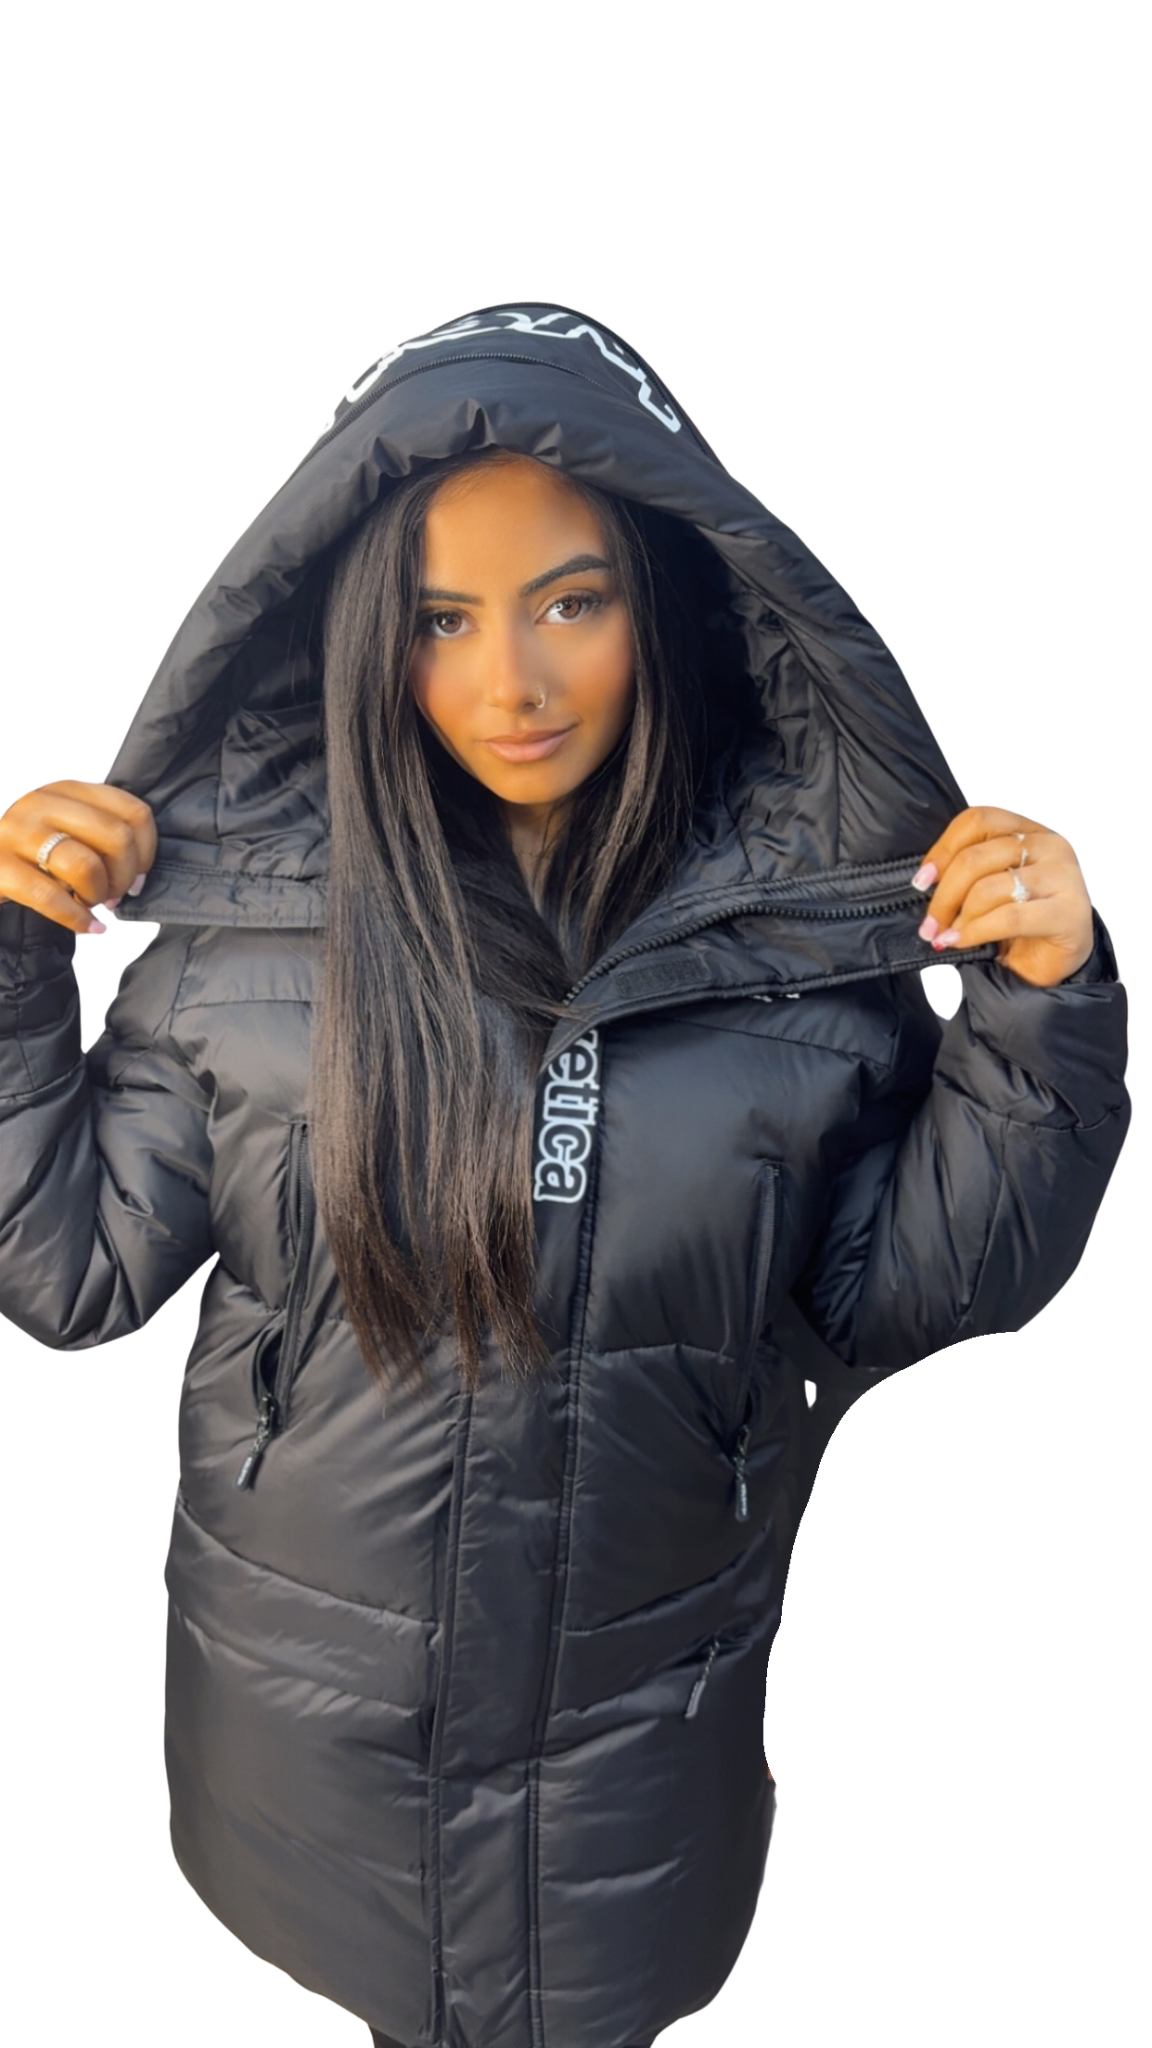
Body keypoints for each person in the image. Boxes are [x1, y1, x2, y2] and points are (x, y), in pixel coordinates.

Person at [0, 303, 1130, 2048]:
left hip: (641, 1733)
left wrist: (1041, 1008)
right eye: (440, 619)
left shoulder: (802, 956)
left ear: (668, 601)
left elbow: (912, 1283)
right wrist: (14, 970)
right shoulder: (242, 952)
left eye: (570, 602)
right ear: (359, 633)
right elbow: (68, 1269)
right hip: (307, 1732)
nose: (509, 685)